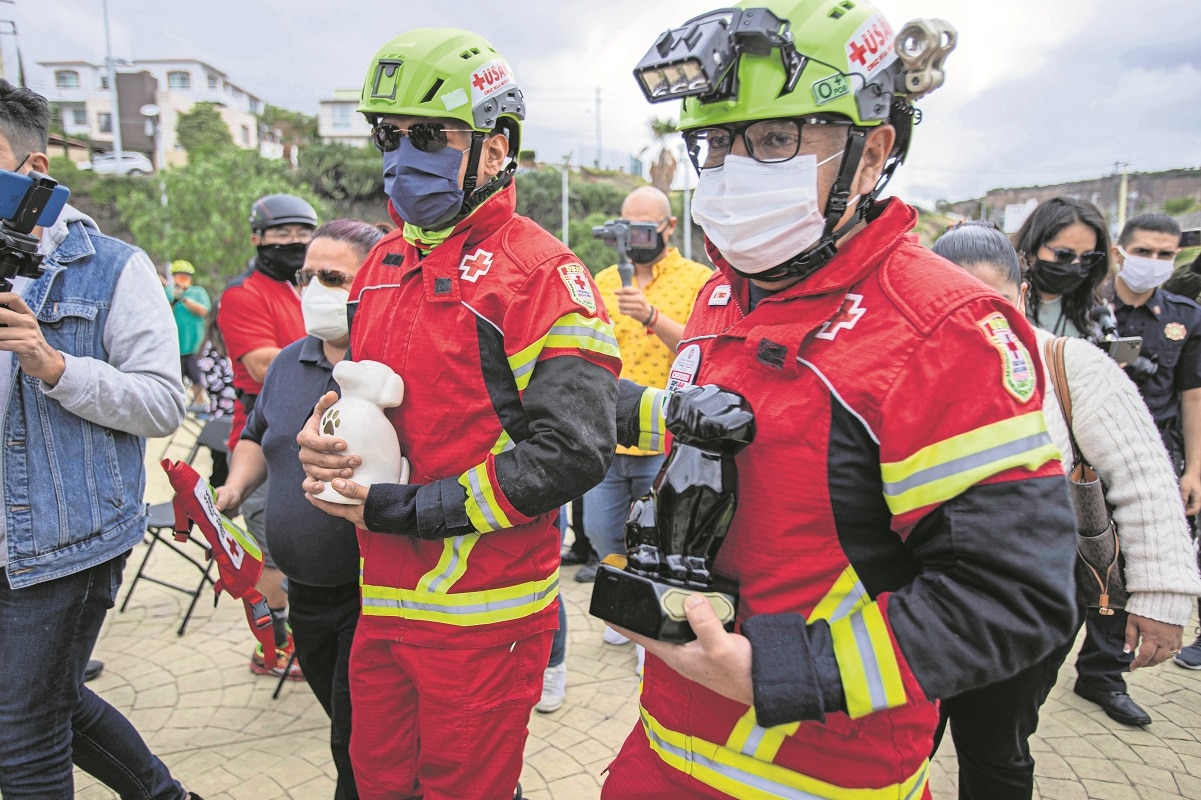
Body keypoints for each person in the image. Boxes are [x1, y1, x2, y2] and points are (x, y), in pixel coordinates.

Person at [599, 3, 1080, 798]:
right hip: (663, 748)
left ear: (871, 151)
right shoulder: (726, 295)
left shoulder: (941, 328)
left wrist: (781, 673)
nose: (731, 168)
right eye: (715, 142)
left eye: (777, 138)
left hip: (822, 774)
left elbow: (1010, 595)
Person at [295, 28, 620, 800]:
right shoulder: (379, 264)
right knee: (375, 787)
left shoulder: (541, 274)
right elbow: (372, 397)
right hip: (381, 604)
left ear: (496, 148)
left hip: (484, 621)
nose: (402, 156)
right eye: (391, 135)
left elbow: (571, 452)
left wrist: (410, 510)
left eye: (430, 137)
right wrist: (324, 433)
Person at [929, 221, 1201, 796]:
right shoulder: (902, 366)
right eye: (953, 302)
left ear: (1021, 295)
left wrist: (1163, 598)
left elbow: (1144, 479)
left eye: (992, 301)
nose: (977, 321)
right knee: (902, 744)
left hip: (1028, 608)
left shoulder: (1070, 365)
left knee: (998, 748)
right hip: (915, 599)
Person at [0, 79, 198, 800]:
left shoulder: (113, 266)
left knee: (21, 737)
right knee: (45, 703)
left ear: (34, 169)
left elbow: (161, 403)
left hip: (63, 541)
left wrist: (51, 364)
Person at [216, 219, 384, 800]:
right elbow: (257, 434)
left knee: (356, 748)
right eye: (305, 276)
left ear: (373, 283)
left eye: (332, 277)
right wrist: (234, 488)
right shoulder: (290, 362)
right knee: (344, 726)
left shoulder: (389, 368)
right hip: (302, 593)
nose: (313, 288)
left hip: (372, 595)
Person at [575, 186, 711, 675]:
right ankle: (620, 607)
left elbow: (707, 352)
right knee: (602, 529)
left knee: (659, 537)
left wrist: (653, 318)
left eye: (644, 228)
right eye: (625, 225)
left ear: (669, 228)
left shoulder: (699, 281)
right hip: (607, 436)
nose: (633, 237)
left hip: (670, 439)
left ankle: (650, 624)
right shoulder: (602, 280)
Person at [216, 192, 318, 680]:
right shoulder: (245, 295)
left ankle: (306, 633)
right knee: (275, 549)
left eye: (303, 234)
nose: (294, 243)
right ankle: (274, 644)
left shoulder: (310, 288)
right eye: (283, 235)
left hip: (317, 430)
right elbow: (262, 363)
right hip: (266, 434)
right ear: (259, 238)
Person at [1108, 213, 1201, 673]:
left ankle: (1105, 677)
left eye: (1166, 255)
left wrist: (1194, 471)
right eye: (1144, 252)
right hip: (1092, 459)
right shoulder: (1090, 308)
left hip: (1155, 460)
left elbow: (1192, 395)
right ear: (1119, 251)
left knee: (1129, 574)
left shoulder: (1186, 318)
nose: (1154, 262)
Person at [1014, 196, 1111, 339]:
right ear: (1033, 250)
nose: (1075, 265)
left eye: (1087, 257)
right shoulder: (1007, 300)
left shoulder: (1096, 313)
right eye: (1065, 254)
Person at [165, 259, 211, 407]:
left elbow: (204, 311)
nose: (183, 279)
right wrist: (173, 299)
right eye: (179, 276)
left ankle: (199, 406)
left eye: (186, 276)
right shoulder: (168, 292)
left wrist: (183, 298)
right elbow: (162, 313)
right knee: (173, 379)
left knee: (197, 378)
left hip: (194, 345)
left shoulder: (198, 292)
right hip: (173, 345)